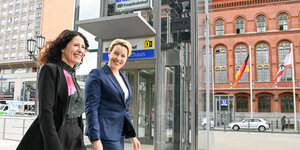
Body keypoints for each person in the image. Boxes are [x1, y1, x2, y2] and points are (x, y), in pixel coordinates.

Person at [17, 30, 89, 150]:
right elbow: (46, 112)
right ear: (63, 48)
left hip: (75, 136)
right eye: (76, 45)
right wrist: (53, 145)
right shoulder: (51, 70)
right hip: (57, 135)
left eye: (83, 47)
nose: (80, 50)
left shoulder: (72, 76)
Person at [85, 39, 140, 150]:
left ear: (126, 58)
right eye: (115, 53)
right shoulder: (97, 74)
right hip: (104, 133)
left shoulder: (123, 77)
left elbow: (125, 109)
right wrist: (96, 139)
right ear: (109, 53)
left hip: (118, 134)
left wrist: (132, 136)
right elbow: (91, 109)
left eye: (123, 56)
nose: (118, 58)